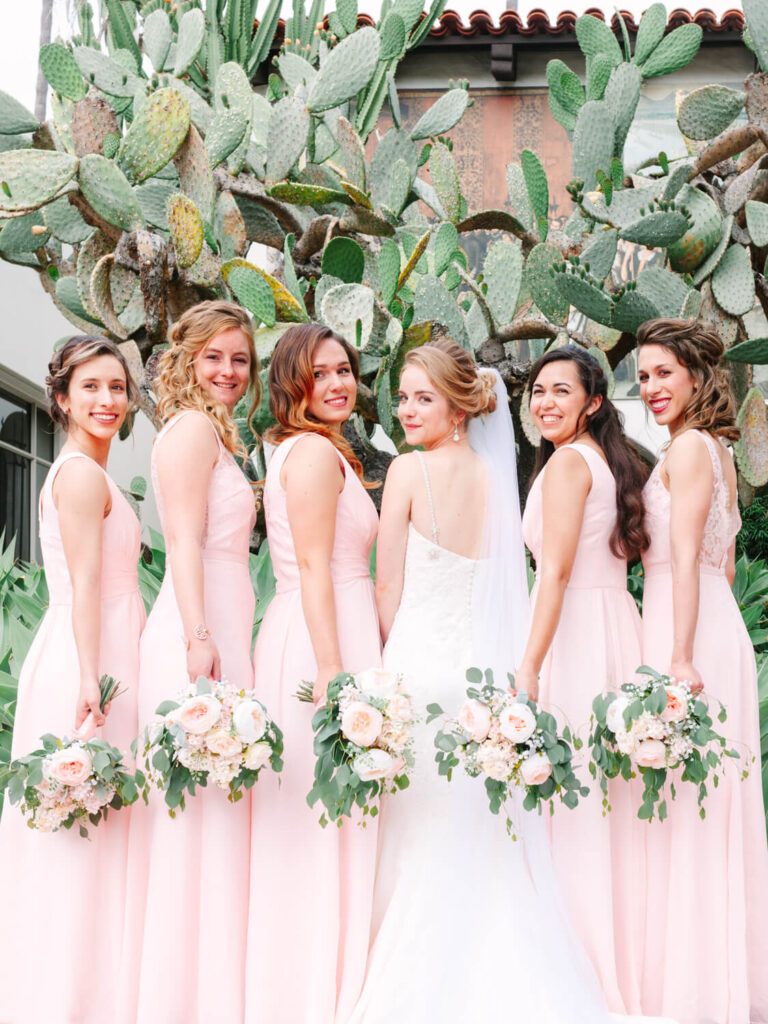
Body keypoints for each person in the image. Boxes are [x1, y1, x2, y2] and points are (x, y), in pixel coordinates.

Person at [350, 339, 629, 1023]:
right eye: (405, 396)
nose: (408, 410)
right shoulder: (500, 480)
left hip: (416, 667)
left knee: (417, 838)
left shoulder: (410, 474)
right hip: (479, 676)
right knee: (479, 835)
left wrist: (378, 665)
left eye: (424, 399)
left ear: (456, 409)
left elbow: (388, 584)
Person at [117, 301, 260, 1024]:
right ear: (186, 361)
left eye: (240, 359)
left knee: (216, 801)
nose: (229, 372)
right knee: (192, 804)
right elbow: (181, 542)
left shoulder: (222, 436)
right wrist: (200, 634)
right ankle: (180, 998)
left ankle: (211, 984)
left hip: (224, 614)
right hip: (196, 623)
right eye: (215, 358)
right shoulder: (190, 430)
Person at [0, 336, 144, 1024]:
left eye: (116, 387)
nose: (106, 400)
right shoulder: (82, 476)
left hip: (96, 647)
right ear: (60, 398)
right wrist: (92, 680)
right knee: (82, 832)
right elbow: (87, 583)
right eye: (90, 387)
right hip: (88, 656)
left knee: (95, 829)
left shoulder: (91, 469)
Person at [245, 324, 381, 1024]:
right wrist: (334, 669)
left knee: (339, 814)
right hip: (321, 638)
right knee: (318, 813)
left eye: (344, 370)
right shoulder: (307, 456)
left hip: (340, 628)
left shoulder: (329, 452)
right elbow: (319, 573)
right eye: (318, 373)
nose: (336, 383)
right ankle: (307, 990)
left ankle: (340, 976)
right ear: (291, 384)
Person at [637, 317, 768, 1024]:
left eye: (663, 373)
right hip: (716, 625)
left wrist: (678, 655)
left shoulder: (689, 449)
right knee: (709, 806)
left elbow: (687, 557)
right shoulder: (716, 450)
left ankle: (688, 990)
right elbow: (721, 562)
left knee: (687, 805)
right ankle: (711, 977)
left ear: (695, 376)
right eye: (643, 376)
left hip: (687, 630)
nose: (651, 387)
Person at [518, 344, 650, 1014]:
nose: (545, 402)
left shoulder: (570, 464)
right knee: (605, 803)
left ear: (593, 402)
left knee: (575, 801)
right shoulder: (600, 459)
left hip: (575, 635)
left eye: (561, 391)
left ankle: (584, 961)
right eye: (538, 390)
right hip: (611, 626)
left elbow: (557, 575)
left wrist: (530, 664)